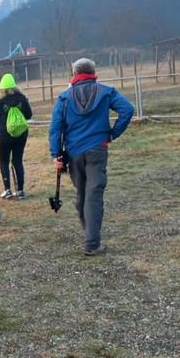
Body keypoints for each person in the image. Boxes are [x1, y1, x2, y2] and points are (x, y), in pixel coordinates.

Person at [49, 57, 134, 256]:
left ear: (74, 73)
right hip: (97, 148)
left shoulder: (64, 98)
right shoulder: (106, 92)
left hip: (73, 152)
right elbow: (127, 109)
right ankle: (92, 242)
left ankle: (89, 233)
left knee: (82, 193)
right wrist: (113, 133)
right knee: (94, 194)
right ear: (93, 72)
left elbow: (55, 129)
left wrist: (56, 154)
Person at [0, 73, 33, 199]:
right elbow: (29, 115)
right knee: (18, 161)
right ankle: (20, 190)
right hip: (21, 134)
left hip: (4, 136)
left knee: (4, 161)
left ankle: (7, 189)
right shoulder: (22, 98)